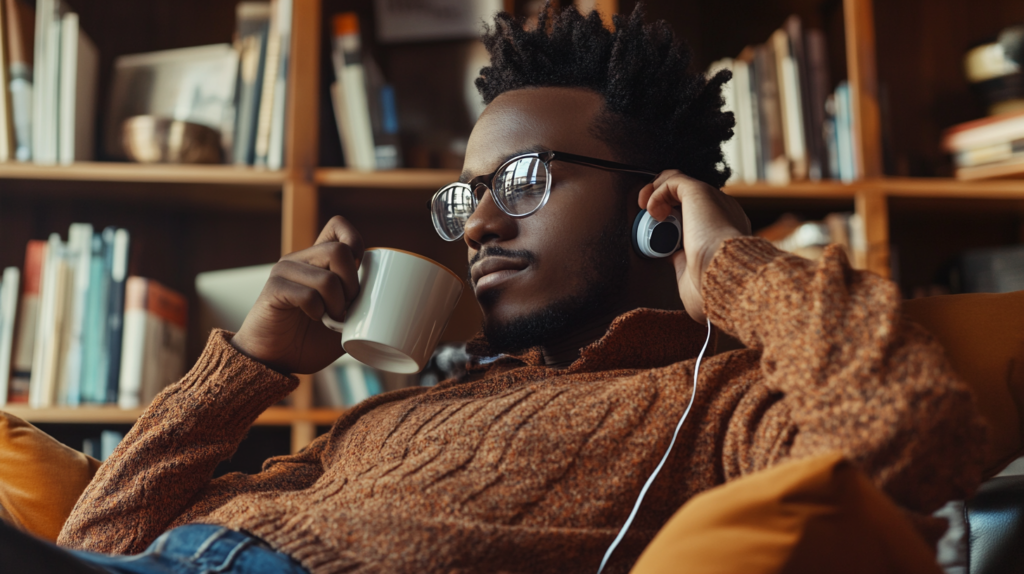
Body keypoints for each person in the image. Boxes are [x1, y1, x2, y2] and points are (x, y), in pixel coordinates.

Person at [1, 5, 986, 574]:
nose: (475, 223)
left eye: (523, 182)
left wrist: (729, 265)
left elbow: (910, 426)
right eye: (466, 195)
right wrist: (249, 365)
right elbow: (103, 536)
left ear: (658, 205)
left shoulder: (716, 403)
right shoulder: (406, 408)